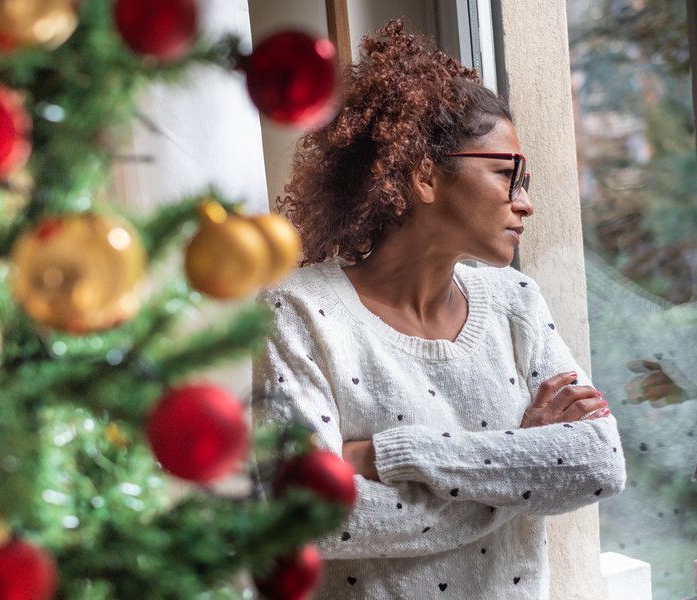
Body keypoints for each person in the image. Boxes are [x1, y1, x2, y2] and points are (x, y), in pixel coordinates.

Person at [252, 21, 626, 600]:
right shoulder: (300, 312)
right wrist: (521, 461)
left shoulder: (516, 304)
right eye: (508, 174)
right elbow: (306, 515)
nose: (524, 203)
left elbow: (600, 464)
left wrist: (390, 455)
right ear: (425, 174)